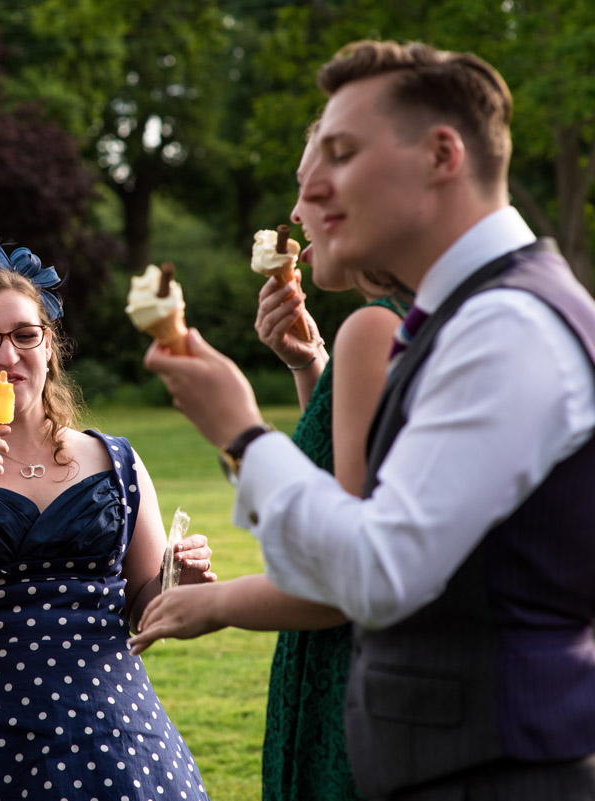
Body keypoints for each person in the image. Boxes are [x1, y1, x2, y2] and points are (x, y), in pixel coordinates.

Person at [138, 40, 595, 800]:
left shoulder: (506, 325)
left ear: (442, 154)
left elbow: (380, 570)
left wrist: (243, 437)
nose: (309, 192)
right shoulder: (466, 317)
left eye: (341, 154)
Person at [131, 129, 407, 801]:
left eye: (314, 188)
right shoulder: (399, 325)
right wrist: (310, 367)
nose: (295, 214)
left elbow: (345, 564)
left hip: (350, 682)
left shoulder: (374, 329)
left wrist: (214, 602)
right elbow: (350, 487)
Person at [0, 236, 215, 801]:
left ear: (49, 345)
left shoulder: (115, 459)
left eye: (24, 335)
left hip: (114, 731)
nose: (7, 356)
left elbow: (143, 610)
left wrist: (177, 584)